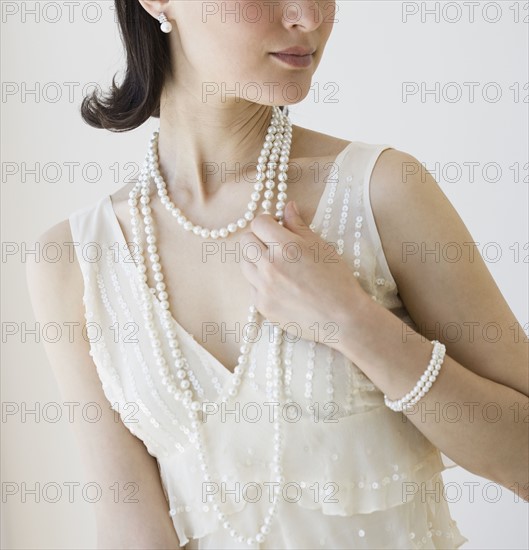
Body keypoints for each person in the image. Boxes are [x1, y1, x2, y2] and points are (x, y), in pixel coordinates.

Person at [26, 1, 528, 549]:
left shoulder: (383, 193)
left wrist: (353, 322)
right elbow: (130, 526)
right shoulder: (74, 262)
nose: (308, 17)